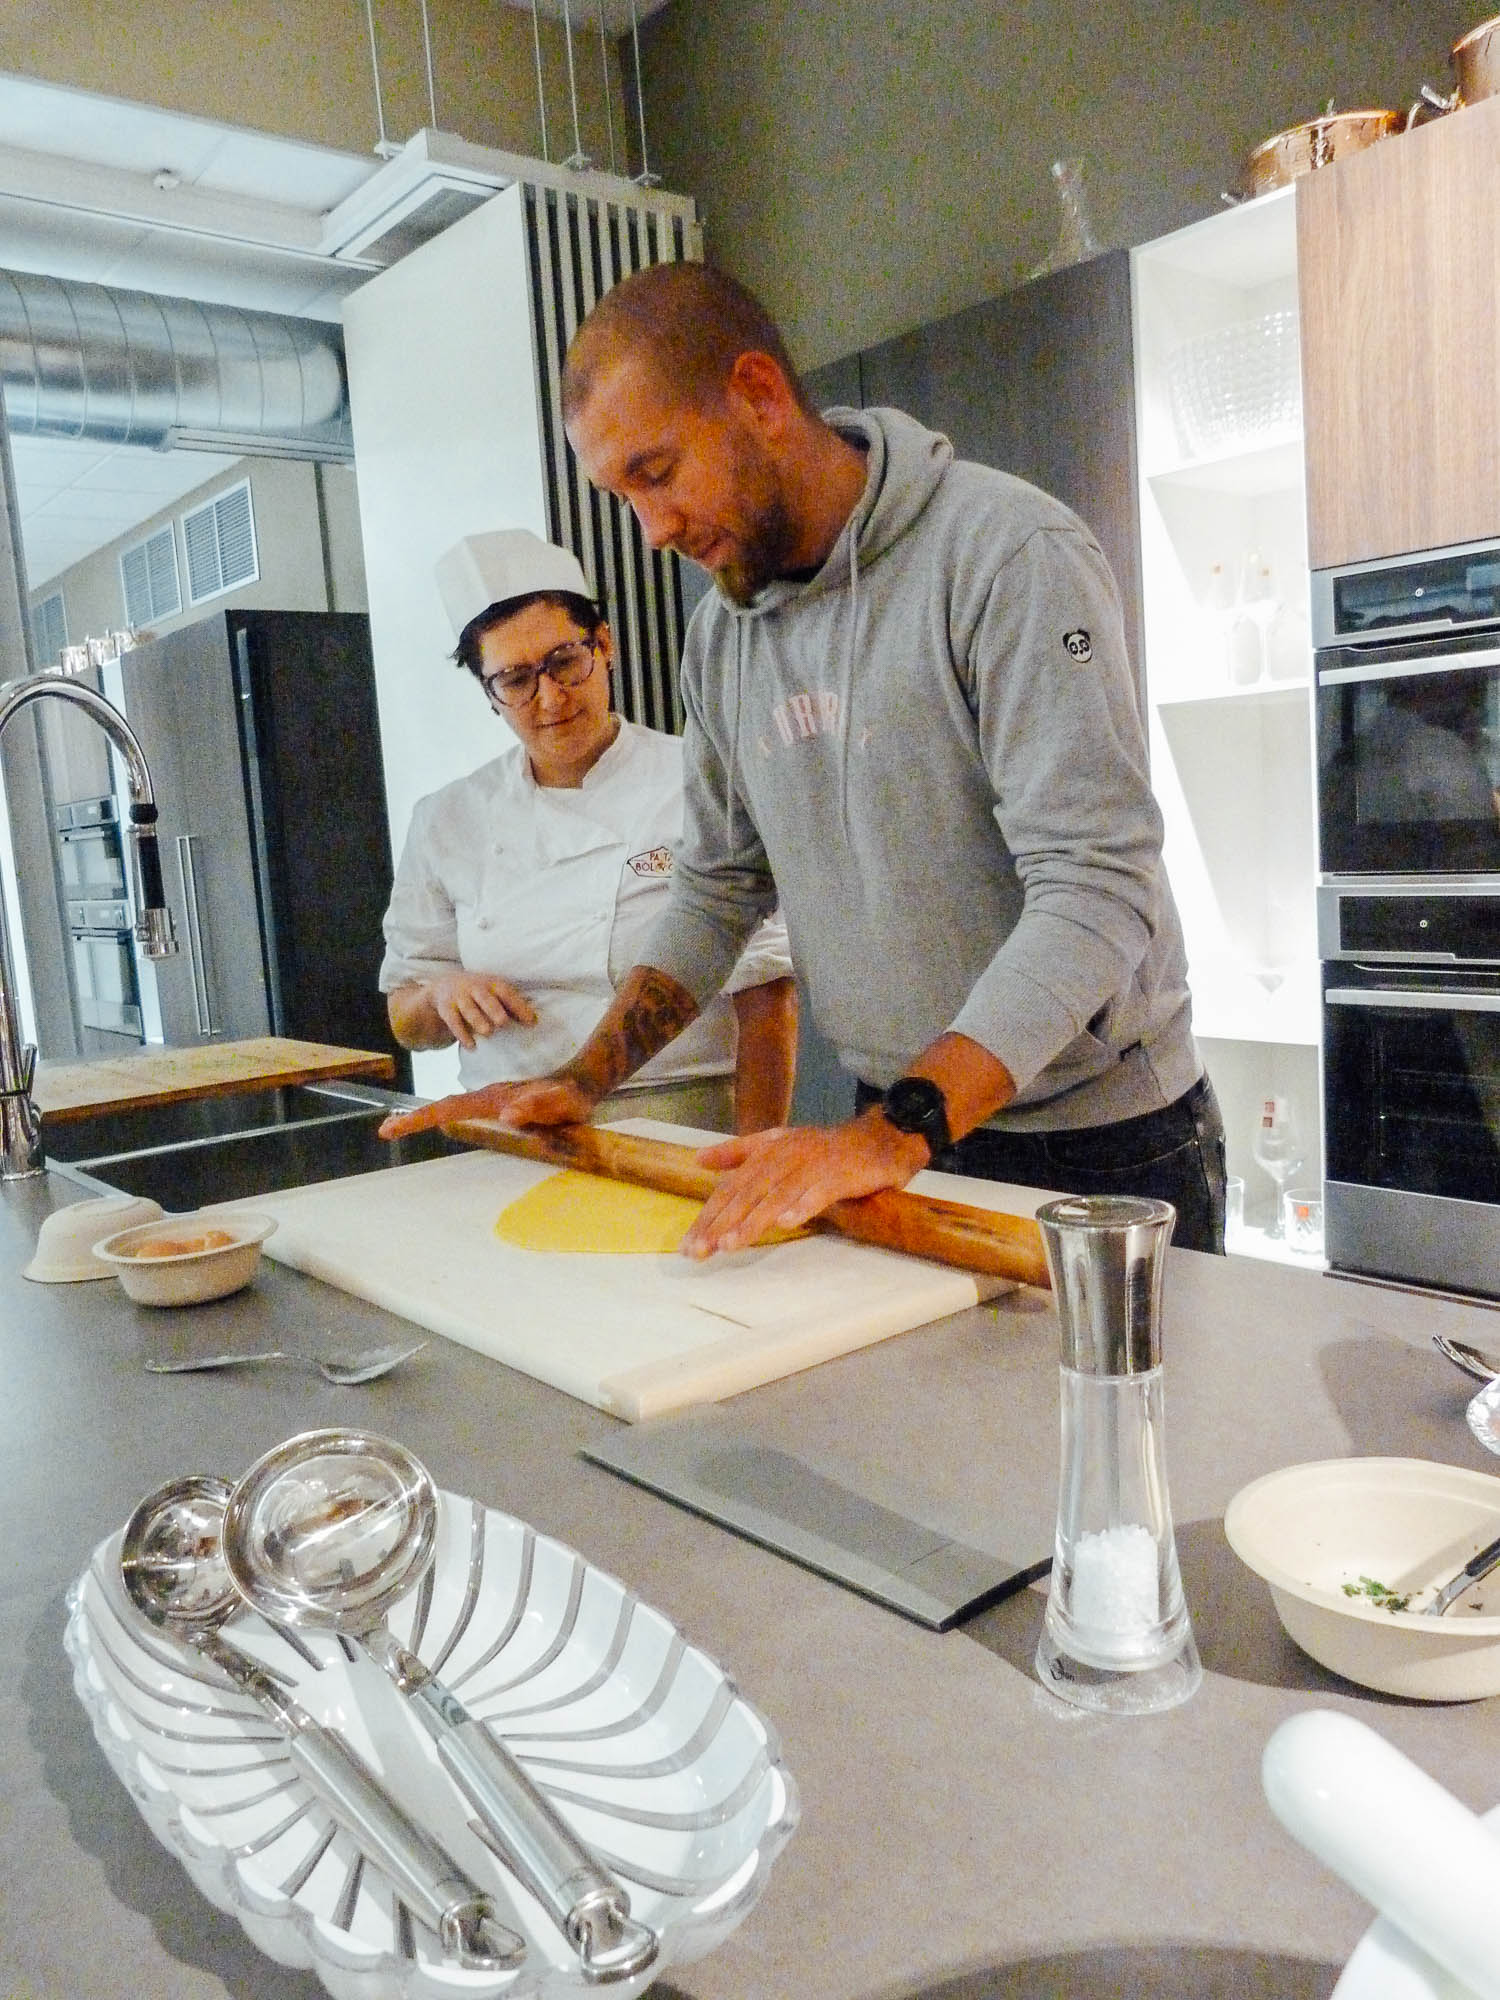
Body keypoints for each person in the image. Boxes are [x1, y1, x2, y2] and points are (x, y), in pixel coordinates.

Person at [381, 265, 1226, 1257]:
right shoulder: (722, 639)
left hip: (1094, 1140)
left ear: (761, 397)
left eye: (657, 473)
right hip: (897, 1124)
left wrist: (890, 1131)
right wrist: (581, 1078)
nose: (651, 532)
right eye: (622, 498)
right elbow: (713, 892)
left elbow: (1095, 891)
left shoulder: (1006, 555)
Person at [379, 527, 798, 1134]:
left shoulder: (702, 781)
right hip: (508, 1122)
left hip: (682, 1119)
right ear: (488, 695)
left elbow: (766, 996)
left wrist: (756, 1152)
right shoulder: (447, 819)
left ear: (604, 646)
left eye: (564, 662)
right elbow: (407, 1021)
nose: (550, 698)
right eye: (516, 680)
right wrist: (440, 993)